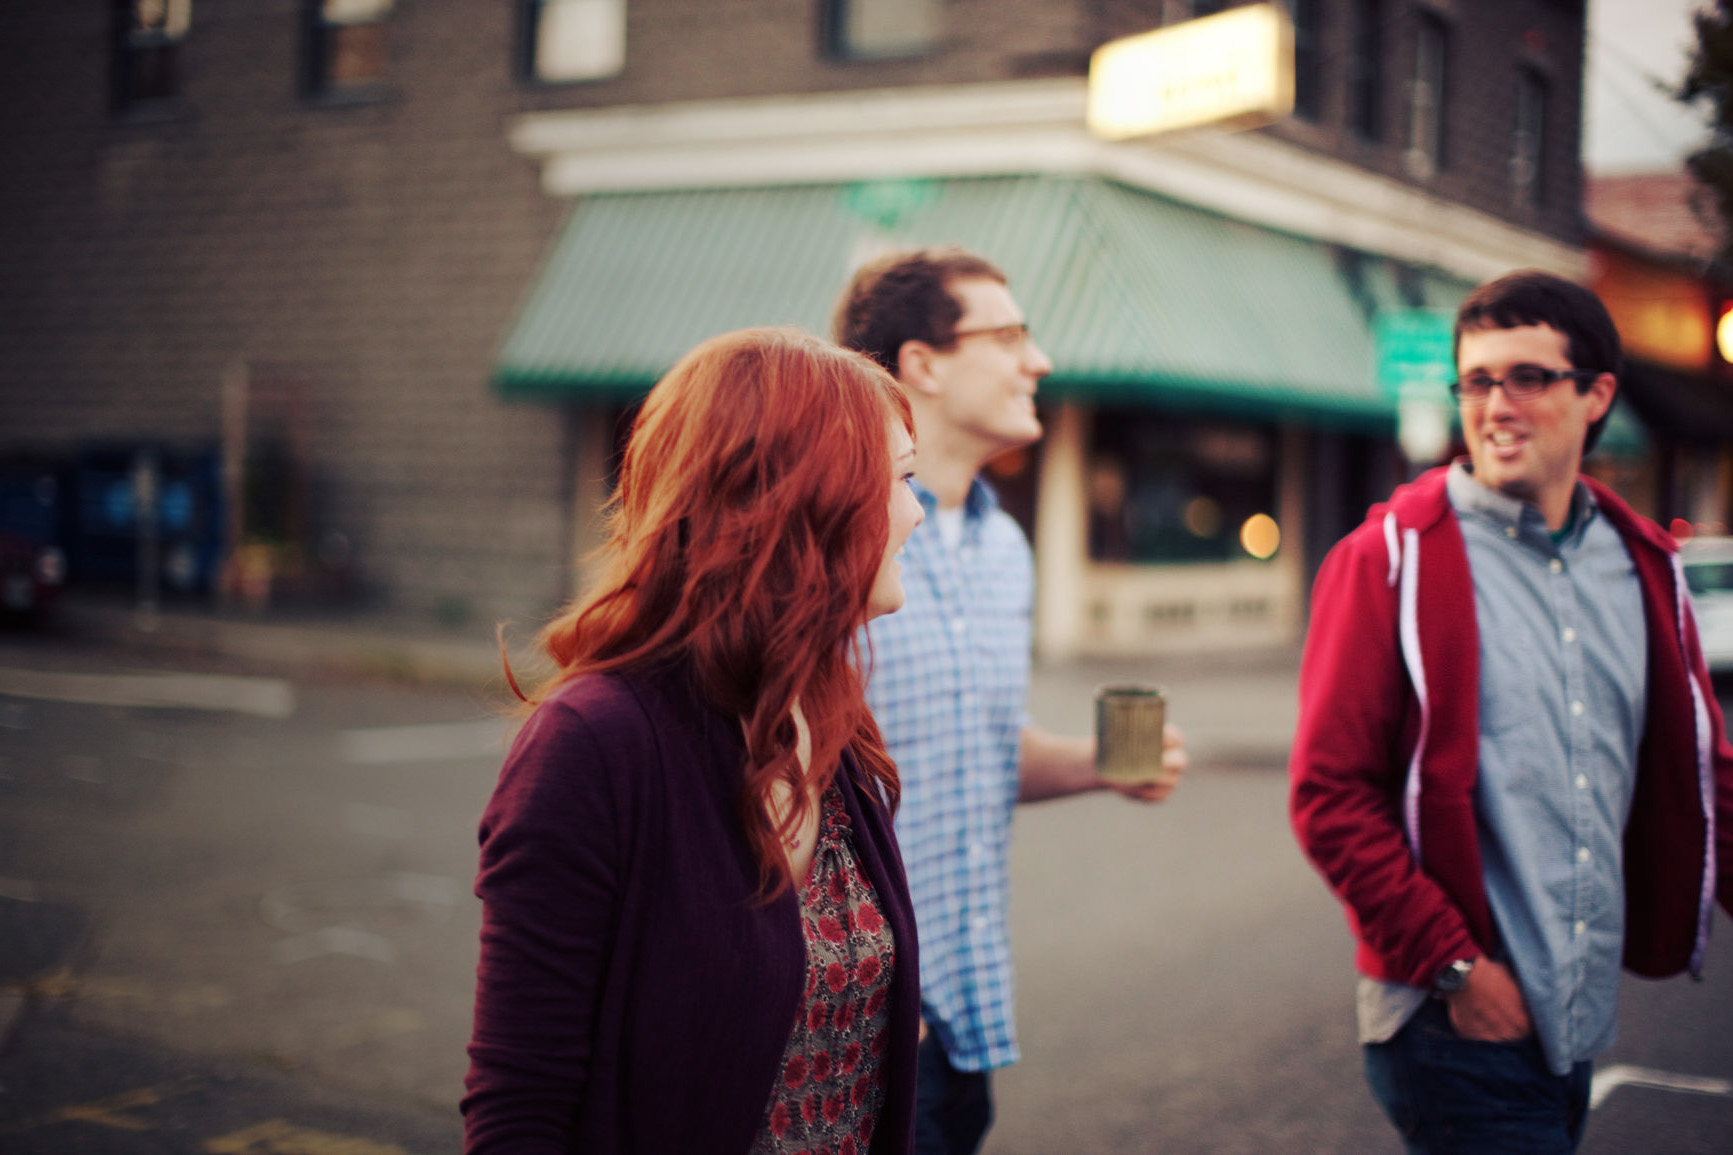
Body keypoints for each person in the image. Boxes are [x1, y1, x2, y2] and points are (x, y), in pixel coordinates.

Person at [1289, 270, 1733, 1153]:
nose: (1495, 404)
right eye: (1477, 381)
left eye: (1527, 377)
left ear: (1596, 393)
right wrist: (1454, 967)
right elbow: (1328, 795)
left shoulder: (1645, 565)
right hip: (1450, 1023)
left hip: (1576, 1012)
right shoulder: (1387, 558)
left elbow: (1705, 775)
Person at [462, 328, 928, 1155]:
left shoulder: (826, 715)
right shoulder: (593, 744)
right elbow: (518, 1108)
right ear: (803, 496)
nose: (918, 513)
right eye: (899, 480)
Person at [833, 247, 1188, 1155]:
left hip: (961, 1014)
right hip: (849, 1022)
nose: (1039, 361)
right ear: (922, 364)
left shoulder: (1004, 548)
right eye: (1010, 336)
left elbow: (971, 751)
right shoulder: (832, 541)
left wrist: (1101, 763)